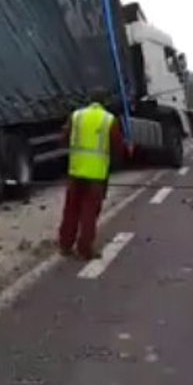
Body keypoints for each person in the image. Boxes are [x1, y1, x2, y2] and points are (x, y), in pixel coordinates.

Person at [57, 94, 128, 260]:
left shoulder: (76, 116)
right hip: (96, 175)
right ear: (104, 103)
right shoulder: (109, 120)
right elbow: (117, 148)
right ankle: (85, 249)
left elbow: (63, 140)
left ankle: (65, 245)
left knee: (71, 210)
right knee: (89, 212)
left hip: (75, 172)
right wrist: (115, 165)